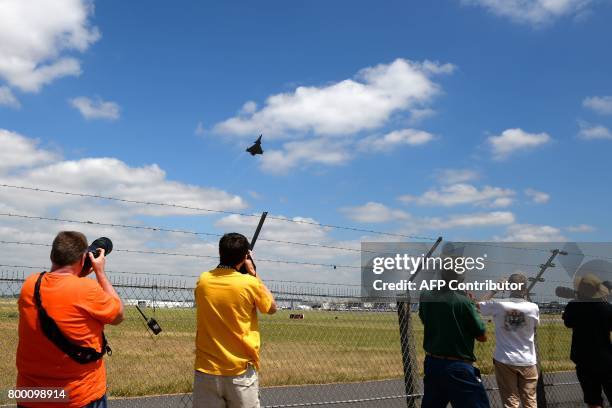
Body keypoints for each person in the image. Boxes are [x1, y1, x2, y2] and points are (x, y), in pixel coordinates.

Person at [16, 231, 124, 408]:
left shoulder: (30, 285)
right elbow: (118, 315)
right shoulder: (87, 289)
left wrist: (76, 274)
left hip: (31, 396)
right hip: (77, 396)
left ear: (52, 256)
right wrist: (100, 272)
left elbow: (59, 290)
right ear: (83, 259)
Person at [193, 233, 277, 408]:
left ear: (220, 252)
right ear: (246, 256)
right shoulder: (249, 283)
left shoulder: (203, 280)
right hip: (240, 373)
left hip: (206, 371)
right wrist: (253, 273)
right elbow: (271, 308)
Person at [418, 264, 490, 408]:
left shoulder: (425, 295)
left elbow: (425, 320)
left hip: (432, 363)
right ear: (461, 278)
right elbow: (482, 336)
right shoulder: (464, 302)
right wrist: (471, 306)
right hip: (458, 366)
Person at [478, 273, 539, 408]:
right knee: (530, 401)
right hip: (528, 360)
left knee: (511, 401)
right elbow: (534, 328)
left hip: (505, 359)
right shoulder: (534, 308)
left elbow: (478, 305)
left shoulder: (499, 305)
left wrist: (496, 288)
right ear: (525, 288)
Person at [562, 273, 612, 408]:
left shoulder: (573, 307)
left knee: (593, 400)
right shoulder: (607, 308)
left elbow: (568, 323)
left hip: (584, 360)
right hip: (606, 359)